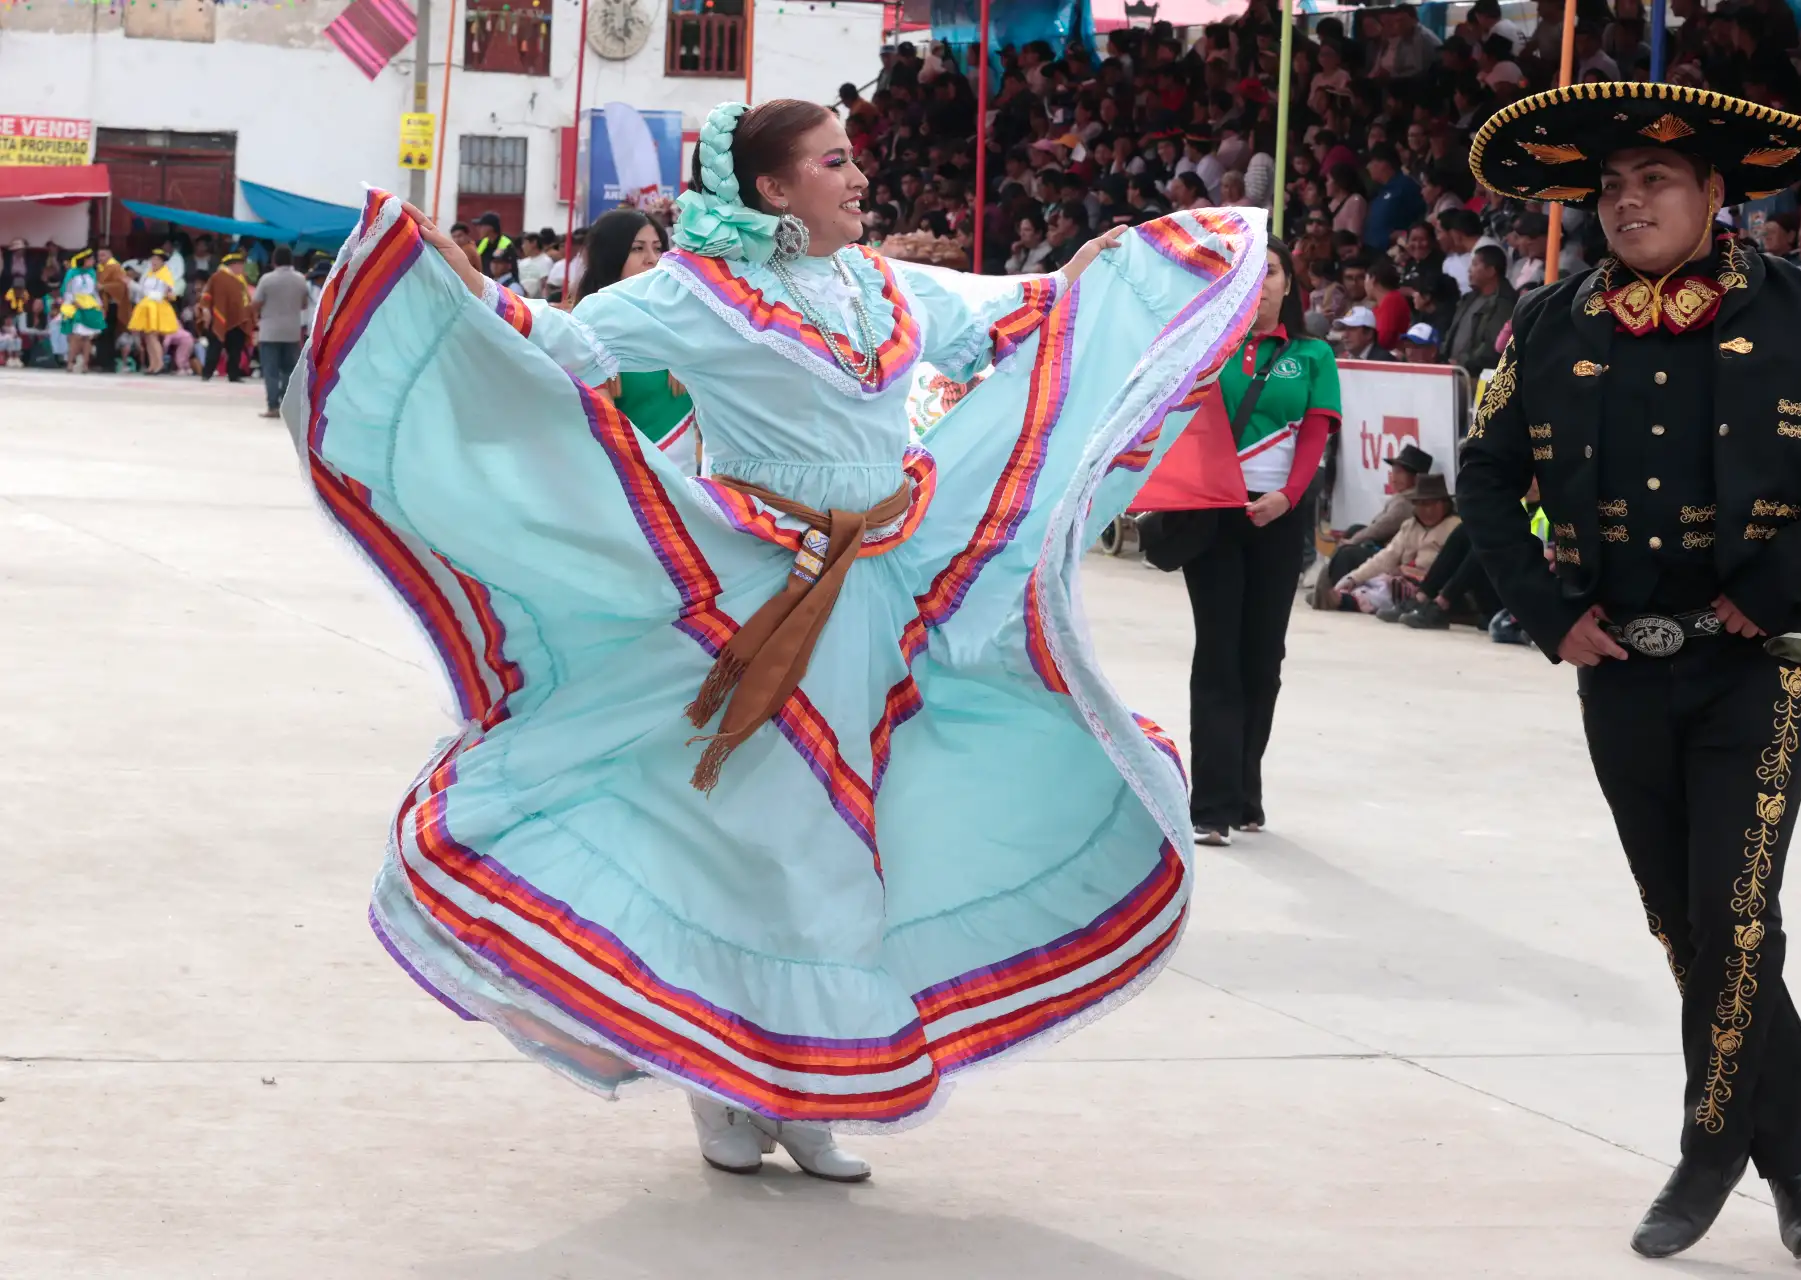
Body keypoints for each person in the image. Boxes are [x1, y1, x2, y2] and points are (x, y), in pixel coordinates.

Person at [292, 99, 1262, 1182]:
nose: (857, 178)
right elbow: (571, 347)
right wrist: (466, 284)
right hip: (759, 594)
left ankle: (800, 1087)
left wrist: (1102, 277)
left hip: (882, 592)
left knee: (852, 836)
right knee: (771, 839)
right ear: (770, 190)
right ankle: (728, 1081)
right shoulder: (700, 296)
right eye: (834, 162)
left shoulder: (884, 285)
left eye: (854, 160)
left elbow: (1018, 316)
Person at [1458, 81, 1801, 1261]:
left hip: (1761, 666)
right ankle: (1799, 1155)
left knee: (1734, 912)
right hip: (1618, 669)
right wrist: (1549, 614)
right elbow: (1485, 477)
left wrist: (1772, 589)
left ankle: (1711, 1150)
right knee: (1687, 926)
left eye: (1655, 181)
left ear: (1718, 195)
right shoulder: (1553, 321)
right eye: (1610, 186)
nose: (1626, 202)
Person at [1179, 237, 1338, 847]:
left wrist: (1286, 500)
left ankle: (1246, 789)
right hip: (1213, 517)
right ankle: (1211, 805)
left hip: (1278, 519)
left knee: (1263, 657)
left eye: (1271, 272)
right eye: (1252, 274)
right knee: (1217, 654)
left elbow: (1316, 437)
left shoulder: (1313, 354)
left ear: (1288, 286)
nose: (1262, 283)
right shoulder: (1209, 349)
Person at [571, 209, 699, 473]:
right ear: (611, 257)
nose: (652, 260)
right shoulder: (585, 329)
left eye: (658, 248)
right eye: (637, 249)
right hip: (626, 485)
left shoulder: (686, 321)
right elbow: (599, 427)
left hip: (688, 486)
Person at [1331, 473, 1460, 615]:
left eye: (1431, 504)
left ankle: (1347, 601)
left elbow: (1449, 569)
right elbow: (1387, 556)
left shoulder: (1455, 528)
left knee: (1390, 588)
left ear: (1444, 504)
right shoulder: (1410, 526)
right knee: (1355, 565)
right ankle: (1339, 594)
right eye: (1421, 504)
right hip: (1398, 578)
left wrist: (1412, 573)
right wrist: (1353, 578)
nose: (1427, 510)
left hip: (1429, 587)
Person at [1442, 244, 1516, 375]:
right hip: (1455, 372)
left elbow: (1492, 346)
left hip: (1479, 377)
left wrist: (1463, 363)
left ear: (1491, 271)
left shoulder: (1504, 304)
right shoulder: (1468, 299)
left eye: (1475, 265)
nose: (1469, 270)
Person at [255, 246, 307, 418]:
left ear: (274, 261)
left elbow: (256, 303)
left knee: (271, 371)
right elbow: (304, 304)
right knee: (288, 370)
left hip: (269, 332)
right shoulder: (300, 280)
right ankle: (286, 405)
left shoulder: (267, 279)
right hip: (291, 331)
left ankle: (272, 406)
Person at [201, 251, 254, 383]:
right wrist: (206, 310)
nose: (242, 268)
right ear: (233, 265)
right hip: (220, 318)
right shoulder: (218, 277)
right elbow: (207, 295)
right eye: (240, 265)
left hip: (238, 320)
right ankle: (207, 373)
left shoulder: (241, 279)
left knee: (236, 348)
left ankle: (233, 374)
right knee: (215, 347)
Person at [127, 247, 180, 375]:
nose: (154, 261)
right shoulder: (150, 273)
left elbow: (165, 293)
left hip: (156, 306)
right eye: (153, 259)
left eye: (157, 259)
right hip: (147, 305)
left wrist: (132, 284)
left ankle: (159, 364)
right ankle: (152, 364)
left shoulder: (164, 274)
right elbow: (144, 290)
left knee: (152, 336)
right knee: (148, 336)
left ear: (162, 262)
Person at [57, 249, 105, 374]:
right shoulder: (72, 273)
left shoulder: (92, 273)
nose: (93, 261)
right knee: (76, 336)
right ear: (84, 260)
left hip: (90, 305)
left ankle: (85, 364)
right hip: (75, 305)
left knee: (88, 337)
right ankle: (70, 362)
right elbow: (66, 290)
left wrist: (100, 305)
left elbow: (94, 291)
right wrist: (73, 302)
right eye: (91, 259)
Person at [1333, 304, 1397, 360]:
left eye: (1352, 329)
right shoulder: (1343, 358)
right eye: (1344, 329)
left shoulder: (1383, 360)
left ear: (1369, 334)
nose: (1345, 335)